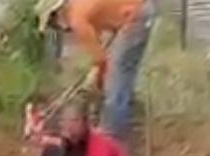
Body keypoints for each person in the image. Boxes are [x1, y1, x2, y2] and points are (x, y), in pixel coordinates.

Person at [38, 0, 152, 146]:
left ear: (57, 13)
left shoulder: (76, 18)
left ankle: (109, 141)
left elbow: (101, 61)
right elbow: (99, 49)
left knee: (116, 82)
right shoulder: (81, 8)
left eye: (53, 23)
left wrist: (98, 80)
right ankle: (125, 128)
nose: (57, 27)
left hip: (136, 16)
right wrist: (98, 73)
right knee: (120, 80)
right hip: (136, 12)